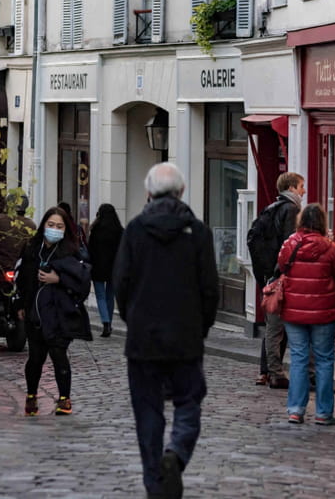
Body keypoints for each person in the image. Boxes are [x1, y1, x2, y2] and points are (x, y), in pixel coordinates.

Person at [113, 163, 219, 499]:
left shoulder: (135, 230)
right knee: (189, 402)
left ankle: (155, 485)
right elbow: (210, 289)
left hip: (143, 339)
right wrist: (199, 328)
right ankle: (176, 454)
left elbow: (122, 284)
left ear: (148, 192)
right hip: (185, 337)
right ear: (182, 192)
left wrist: (135, 321)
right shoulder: (198, 232)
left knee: (147, 413)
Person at [15, 206, 93, 417]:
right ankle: (31, 396)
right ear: (44, 225)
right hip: (36, 312)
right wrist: (20, 304)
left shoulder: (72, 251)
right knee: (36, 358)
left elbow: (83, 282)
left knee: (59, 355)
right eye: (51, 225)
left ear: (65, 228)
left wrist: (59, 279)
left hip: (60, 313)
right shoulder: (32, 248)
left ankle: (64, 400)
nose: (54, 229)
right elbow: (21, 278)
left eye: (59, 226)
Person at [278, 204, 335, 425]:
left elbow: (281, 266)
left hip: (294, 310)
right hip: (323, 311)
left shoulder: (290, 244)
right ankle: (323, 413)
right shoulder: (331, 248)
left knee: (298, 358)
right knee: (324, 360)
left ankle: (296, 410)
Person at [253, 171, 304, 389]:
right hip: (281, 274)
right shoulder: (291, 209)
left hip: (269, 273)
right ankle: (275, 372)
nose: (304, 190)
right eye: (301, 186)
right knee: (278, 326)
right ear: (291, 188)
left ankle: (266, 371)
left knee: (273, 324)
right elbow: (289, 244)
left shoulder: (271, 207)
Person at [88, 203, 124, 337]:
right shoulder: (120, 231)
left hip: (98, 267)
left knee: (100, 296)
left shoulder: (96, 230)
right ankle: (108, 322)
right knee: (110, 296)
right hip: (115, 268)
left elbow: (90, 250)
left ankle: (106, 322)